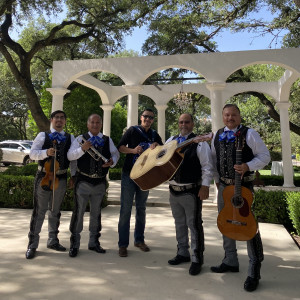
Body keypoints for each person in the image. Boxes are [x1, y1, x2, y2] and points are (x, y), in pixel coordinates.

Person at [211, 104, 270, 292]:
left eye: (233, 115)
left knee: (249, 226)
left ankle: (254, 269)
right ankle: (230, 260)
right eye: (227, 115)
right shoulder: (218, 134)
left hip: (244, 187)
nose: (230, 118)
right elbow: (214, 159)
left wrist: (248, 166)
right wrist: (216, 180)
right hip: (224, 187)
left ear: (239, 116)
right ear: (222, 117)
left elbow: (265, 156)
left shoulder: (249, 133)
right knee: (226, 221)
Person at [166, 113, 214, 276]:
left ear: (193, 124)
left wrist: (205, 186)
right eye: (181, 122)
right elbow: (161, 157)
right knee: (179, 223)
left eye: (187, 122)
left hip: (191, 190)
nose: (183, 124)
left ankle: (196, 259)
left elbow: (207, 167)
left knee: (194, 225)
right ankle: (182, 253)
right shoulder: (171, 140)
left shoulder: (200, 143)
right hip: (173, 190)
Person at [26, 110, 76, 259]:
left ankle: (53, 240)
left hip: (60, 177)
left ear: (65, 121)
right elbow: (32, 154)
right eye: (57, 118)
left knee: (55, 210)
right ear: (52, 120)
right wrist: (45, 152)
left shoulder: (69, 137)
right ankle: (32, 244)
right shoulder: (43, 135)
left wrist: (73, 176)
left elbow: (73, 159)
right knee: (39, 211)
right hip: (43, 176)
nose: (59, 120)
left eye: (62, 118)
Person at [67, 114, 119, 257]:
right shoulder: (80, 139)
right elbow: (70, 156)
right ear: (87, 124)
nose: (95, 125)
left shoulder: (107, 140)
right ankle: (75, 244)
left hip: (100, 182)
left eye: (97, 122)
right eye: (92, 122)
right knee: (79, 213)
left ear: (101, 124)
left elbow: (116, 154)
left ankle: (94, 242)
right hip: (83, 181)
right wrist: (82, 149)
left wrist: (112, 162)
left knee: (96, 213)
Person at [117, 108, 163, 257]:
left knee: (141, 209)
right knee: (125, 210)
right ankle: (123, 245)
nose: (148, 119)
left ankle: (139, 240)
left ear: (153, 120)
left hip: (145, 176)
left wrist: (157, 148)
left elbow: (163, 152)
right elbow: (120, 148)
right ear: (141, 117)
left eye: (150, 117)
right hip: (129, 175)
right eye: (145, 117)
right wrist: (133, 150)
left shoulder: (155, 135)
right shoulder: (132, 130)